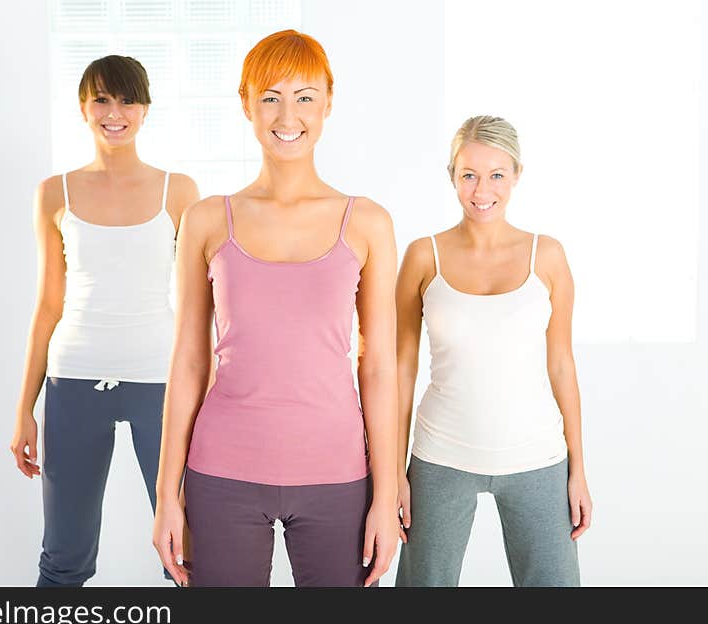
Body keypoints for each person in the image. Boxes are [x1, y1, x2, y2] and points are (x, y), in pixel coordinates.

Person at [151, 30, 399, 587]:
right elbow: (189, 362)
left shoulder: (368, 223)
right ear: (246, 103)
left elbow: (379, 367)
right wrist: (168, 495)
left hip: (337, 475)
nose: (288, 114)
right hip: (222, 474)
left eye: (305, 96)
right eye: (270, 97)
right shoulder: (207, 220)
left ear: (329, 102)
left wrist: (385, 497)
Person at [9, 55, 199, 587]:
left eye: (127, 100)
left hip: (159, 380)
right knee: (64, 557)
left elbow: (196, 306)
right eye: (102, 100)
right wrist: (25, 408)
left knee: (186, 555)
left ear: (145, 109)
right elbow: (48, 304)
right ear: (83, 107)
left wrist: (207, 391)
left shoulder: (179, 191)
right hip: (73, 378)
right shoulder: (54, 193)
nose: (115, 113)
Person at [395, 115, 592, 587]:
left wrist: (578, 469)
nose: (482, 189)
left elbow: (562, 365)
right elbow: (400, 369)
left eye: (497, 175)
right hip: (440, 456)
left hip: (537, 458)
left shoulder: (547, 256)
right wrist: (392, 475)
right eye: (469, 175)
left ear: (517, 175)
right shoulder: (424, 255)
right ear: (452, 177)